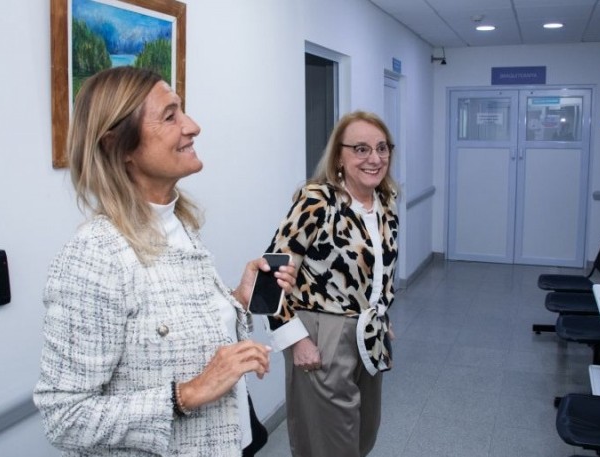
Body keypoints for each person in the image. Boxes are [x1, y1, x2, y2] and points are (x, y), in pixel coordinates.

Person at [33, 66, 294, 457]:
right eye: (170, 116)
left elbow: (175, 330)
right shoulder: (95, 255)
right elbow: (64, 417)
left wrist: (238, 299)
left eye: (182, 111)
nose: (193, 126)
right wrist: (186, 394)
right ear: (118, 147)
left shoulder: (180, 224)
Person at [265, 111, 399, 457]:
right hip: (321, 333)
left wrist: (382, 313)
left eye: (382, 148)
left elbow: (378, 270)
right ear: (339, 155)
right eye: (361, 149)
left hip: (368, 334)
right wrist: (296, 341)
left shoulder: (386, 202)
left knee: (362, 436)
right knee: (327, 446)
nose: (374, 158)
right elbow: (269, 277)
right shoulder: (317, 200)